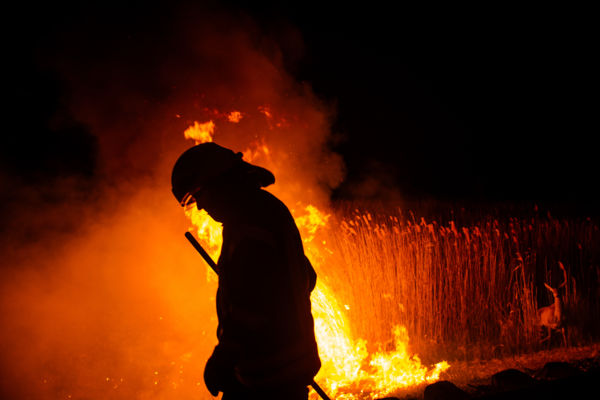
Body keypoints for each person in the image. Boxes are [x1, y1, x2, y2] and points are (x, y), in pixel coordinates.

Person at [171, 143, 321, 399]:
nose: (199, 207)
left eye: (198, 193)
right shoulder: (267, 209)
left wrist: (223, 360)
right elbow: (307, 276)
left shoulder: (248, 225)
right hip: (288, 370)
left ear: (220, 181)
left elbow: (250, 309)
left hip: (267, 379)